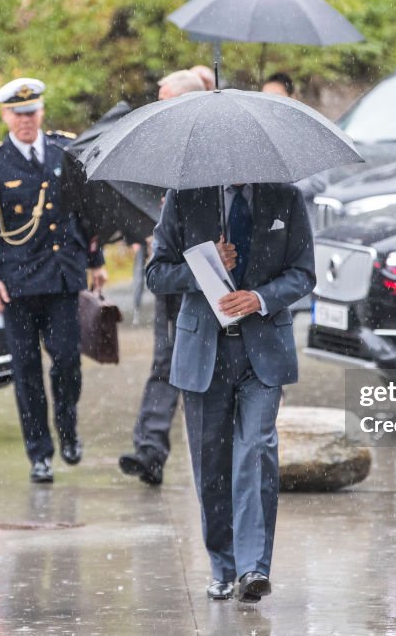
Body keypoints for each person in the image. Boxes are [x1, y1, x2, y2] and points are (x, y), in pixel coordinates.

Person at [146, 181, 315, 603]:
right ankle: (222, 565)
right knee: (212, 465)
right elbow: (156, 274)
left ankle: (253, 568)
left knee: (256, 451)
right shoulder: (185, 197)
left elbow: (303, 273)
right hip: (204, 351)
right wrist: (203, 267)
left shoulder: (286, 197)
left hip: (264, 351)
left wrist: (260, 297)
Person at [0, 77, 107, 484]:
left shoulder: (67, 149)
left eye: (32, 112)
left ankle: (67, 428)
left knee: (66, 360)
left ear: (42, 112)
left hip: (63, 276)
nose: (26, 120)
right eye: (17, 113)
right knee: (26, 369)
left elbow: (85, 210)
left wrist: (96, 260)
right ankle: (39, 453)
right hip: (17, 282)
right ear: (5, 115)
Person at [119, 69, 207, 486]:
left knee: (202, 367)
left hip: (212, 277)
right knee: (165, 358)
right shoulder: (159, 150)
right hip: (171, 273)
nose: (157, 109)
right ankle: (150, 449)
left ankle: (208, 451)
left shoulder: (216, 148)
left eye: (164, 100)